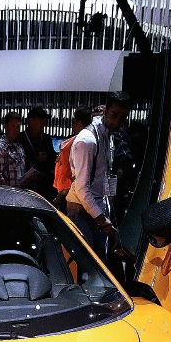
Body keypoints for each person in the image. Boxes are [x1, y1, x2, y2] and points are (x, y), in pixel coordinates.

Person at [67, 92, 134, 252]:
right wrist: (102, 219)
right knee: (87, 269)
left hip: (95, 209)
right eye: (114, 114)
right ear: (105, 110)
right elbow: (81, 189)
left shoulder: (108, 135)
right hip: (81, 211)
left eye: (122, 118)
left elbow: (103, 178)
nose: (117, 121)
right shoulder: (87, 141)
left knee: (98, 265)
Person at [54, 107, 94, 207]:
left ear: (78, 123)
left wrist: (59, 197)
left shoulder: (71, 145)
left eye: (74, 122)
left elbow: (67, 177)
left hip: (71, 198)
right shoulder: (95, 142)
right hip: (91, 197)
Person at [19, 107, 57, 199]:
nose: (44, 123)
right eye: (41, 120)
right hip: (25, 187)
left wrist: (47, 158)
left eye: (44, 120)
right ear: (31, 120)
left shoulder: (46, 138)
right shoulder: (20, 138)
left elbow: (54, 161)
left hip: (44, 187)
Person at [0, 112, 28, 188]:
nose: (16, 129)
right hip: (8, 196)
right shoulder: (0, 148)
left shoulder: (19, 147)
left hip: (21, 194)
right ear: (6, 126)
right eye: (13, 126)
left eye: (18, 126)